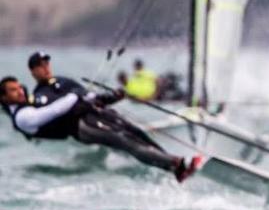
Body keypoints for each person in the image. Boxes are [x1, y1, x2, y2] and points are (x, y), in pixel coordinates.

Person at [6, 52, 202, 182]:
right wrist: (75, 98)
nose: (46, 67)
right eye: (40, 65)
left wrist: (112, 97)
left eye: (46, 63)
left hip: (98, 113)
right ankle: (176, 162)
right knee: (123, 140)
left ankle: (175, 168)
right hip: (81, 125)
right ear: (33, 71)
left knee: (136, 133)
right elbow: (59, 110)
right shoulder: (39, 95)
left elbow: (90, 97)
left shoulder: (64, 81)